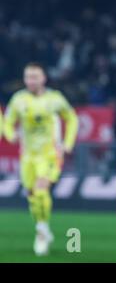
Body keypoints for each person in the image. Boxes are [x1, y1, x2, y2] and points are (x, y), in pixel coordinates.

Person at [3, 62, 79, 256]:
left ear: (43, 78)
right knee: (32, 196)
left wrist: (67, 144)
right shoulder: (18, 100)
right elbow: (8, 122)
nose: (31, 81)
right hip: (27, 156)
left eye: (35, 77)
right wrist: (10, 135)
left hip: (50, 154)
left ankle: (42, 233)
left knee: (40, 189)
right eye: (28, 77)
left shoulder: (55, 99)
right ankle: (42, 227)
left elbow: (72, 118)